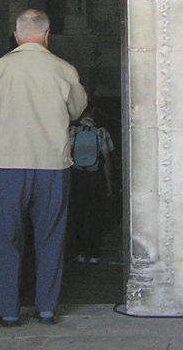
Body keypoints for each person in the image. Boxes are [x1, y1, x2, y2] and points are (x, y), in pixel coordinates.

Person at [0, 9, 87, 327]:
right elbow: (77, 110)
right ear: (47, 35)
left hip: (9, 163)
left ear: (16, 34)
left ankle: (9, 311)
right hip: (51, 163)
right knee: (50, 237)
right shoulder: (63, 69)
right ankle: (47, 308)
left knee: (8, 238)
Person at [68, 101, 115, 263]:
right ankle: (95, 254)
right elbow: (107, 159)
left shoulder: (72, 131)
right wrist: (109, 183)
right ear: (93, 111)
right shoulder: (101, 132)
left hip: (78, 177)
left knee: (78, 214)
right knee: (96, 215)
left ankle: (80, 252)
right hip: (96, 178)